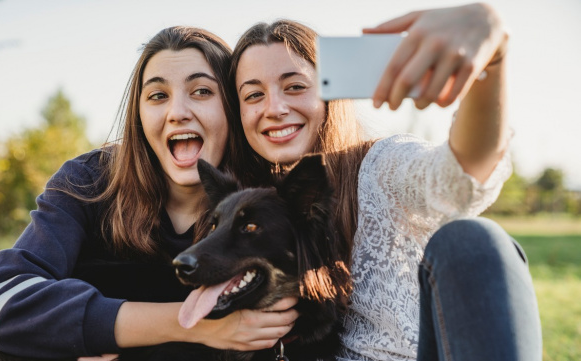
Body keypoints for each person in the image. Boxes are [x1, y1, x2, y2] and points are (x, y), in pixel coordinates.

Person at [228, 3, 541, 361]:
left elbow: (459, 176)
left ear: (330, 94)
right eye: (253, 94)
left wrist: (491, 63)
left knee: (472, 240)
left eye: (295, 86)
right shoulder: (243, 208)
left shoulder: (379, 166)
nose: (275, 107)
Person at [0, 26, 297, 359]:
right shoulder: (88, 181)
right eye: (158, 96)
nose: (178, 113)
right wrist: (197, 325)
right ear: (139, 116)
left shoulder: (269, 205)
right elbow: (1, 303)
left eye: (201, 91)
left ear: (232, 106)